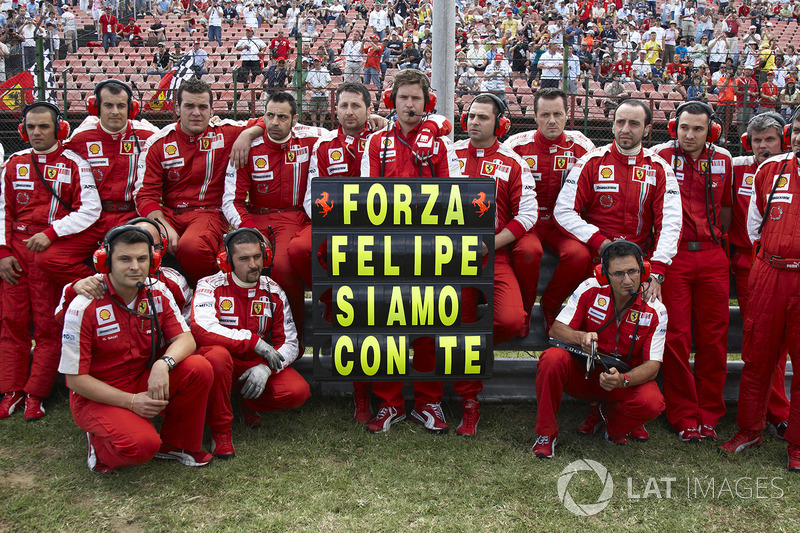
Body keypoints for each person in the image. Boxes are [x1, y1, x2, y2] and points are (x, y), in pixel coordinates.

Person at [58, 226, 213, 474]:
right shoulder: (83, 305)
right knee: (142, 446)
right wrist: (131, 402)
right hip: (96, 395)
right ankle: (99, 447)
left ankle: (177, 444)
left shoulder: (157, 290)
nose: (135, 266)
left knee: (199, 367)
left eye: (142, 259)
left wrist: (164, 364)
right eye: (124, 259)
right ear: (105, 261)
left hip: (139, 379)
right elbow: (75, 380)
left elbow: (186, 339)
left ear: (153, 261)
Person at [360, 69, 461, 434]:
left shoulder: (441, 143)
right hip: (387, 245)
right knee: (387, 325)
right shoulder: (376, 143)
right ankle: (388, 404)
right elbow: (366, 198)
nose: (409, 104)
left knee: (429, 323)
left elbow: (454, 196)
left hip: (431, 246)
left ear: (427, 103)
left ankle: (428, 401)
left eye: (416, 98)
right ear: (392, 101)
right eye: (403, 97)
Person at [288, 82, 390, 424]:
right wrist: (336, 223)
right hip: (336, 226)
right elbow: (311, 196)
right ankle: (330, 300)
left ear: (368, 109)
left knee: (368, 306)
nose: (349, 112)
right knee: (300, 247)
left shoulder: (385, 138)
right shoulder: (323, 144)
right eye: (343, 105)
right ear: (336, 110)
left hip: (379, 230)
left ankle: (368, 393)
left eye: (356, 106)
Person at [0, 103, 100, 421]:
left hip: (47, 253)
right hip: (15, 254)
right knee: (12, 323)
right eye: (31, 127)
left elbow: (90, 209)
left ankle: (35, 393)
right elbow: (2, 210)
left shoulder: (75, 163)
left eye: (43, 126)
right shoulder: (13, 163)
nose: (37, 133)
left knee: (47, 326)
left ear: (59, 128)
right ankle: (11, 389)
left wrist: (53, 232)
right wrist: (2, 253)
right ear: (22, 130)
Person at [451, 93, 538, 436]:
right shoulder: (449, 154)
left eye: (483, 117)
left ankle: (472, 353)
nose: (474, 122)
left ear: (500, 124)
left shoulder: (514, 162)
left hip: (494, 254)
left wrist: (490, 245)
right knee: (454, 324)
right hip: (451, 258)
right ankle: (469, 403)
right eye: (471, 116)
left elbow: (527, 215)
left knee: (510, 319)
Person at [531, 241, 667, 458]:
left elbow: (652, 366)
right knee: (551, 358)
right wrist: (581, 337)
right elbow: (556, 330)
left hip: (622, 380)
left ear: (644, 270)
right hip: (585, 375)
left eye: (633, 271)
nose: (627, 280)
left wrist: (623, 379)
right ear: (604, 274)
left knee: (652, 402)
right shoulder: (590, 288)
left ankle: (613, 423)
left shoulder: (656, 309)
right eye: (618, 273)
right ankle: (546, 434)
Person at [720, 110, 800, 473]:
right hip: (769, 273)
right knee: (757, 356)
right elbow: (755, 226)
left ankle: (796, 443)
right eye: (797, 131)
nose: (799, 138)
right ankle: (749, 429)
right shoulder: (770, 170)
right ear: (790, 132)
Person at [652, 102, 733, 443]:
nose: (690, 134)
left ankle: (710, 414)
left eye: (698, 129)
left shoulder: (724, 160)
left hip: (713, 256)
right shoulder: (658, 156)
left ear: (710, 131)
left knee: (714, 340)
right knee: (677, 338)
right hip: (675, 256)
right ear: (674, 127)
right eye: (684, 127)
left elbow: (726, 210)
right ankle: (684, 415)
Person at [134, 78, 265, 284]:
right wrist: (163, 226)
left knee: (192, 247)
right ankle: (154, 300)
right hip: (169, 213)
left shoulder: (225, 132)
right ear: (177, 108)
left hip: (208, 212)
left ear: (212, 110)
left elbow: (267, 121)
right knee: (140, 235)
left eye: (203, 106)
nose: (196, 112)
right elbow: (144, 194)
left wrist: (247, 134)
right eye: (189, 106)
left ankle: (206, 296)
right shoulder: (158, 142)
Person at [192, 228, 309, 456]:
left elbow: (290, 343)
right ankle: (221, 431)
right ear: (228, 261)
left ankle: (247, 401)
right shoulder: (209, 285)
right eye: (244, 259)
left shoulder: (273, 290)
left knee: (297, 392)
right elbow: (202, 329)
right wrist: (254, 342)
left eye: (257, 257)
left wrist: (265, 369)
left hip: (254, 366)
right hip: (222, 364)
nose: (253, 265)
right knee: (216, 356)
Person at [554, 99, 682, 306]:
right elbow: (564, 211)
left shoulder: (660, 168)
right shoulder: (591, 162)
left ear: (647, 129)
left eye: (634, 123)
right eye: (620, 122)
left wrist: (657, 270)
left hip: (639, 260)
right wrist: (601, 242)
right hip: (598, 255)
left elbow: (670, 223)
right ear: (612, 125)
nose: (625, 129)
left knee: (640, 324)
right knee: (594, 318)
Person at [34, 80, 160, 288]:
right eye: (108, 105)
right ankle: (100, 285)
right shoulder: (81, 137)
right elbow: (55, 159)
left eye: (121, 106)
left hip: (133, 215)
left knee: (149, 252)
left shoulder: (147, 134)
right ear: (96, 108)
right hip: (94, 217)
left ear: (131, 108)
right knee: (47, 258)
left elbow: (174, 136)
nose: (115, 112)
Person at [222, 91, 323, 346]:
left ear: (294, 119)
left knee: (282, 267)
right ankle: (237, 337)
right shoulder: (246, 146)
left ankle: (293, 339)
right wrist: (248, 230)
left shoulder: (312, 138)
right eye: (269, 115)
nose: (275, 122)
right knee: (228, 261)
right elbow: (231, 200)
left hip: (293, 217)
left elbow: (347, 127)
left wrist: (374, 118)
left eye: (282, 117)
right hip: (254, 218)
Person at [505, 88, 596, 333]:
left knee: (579, 256)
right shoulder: (515, 145)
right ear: (535, 117)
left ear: (567, 115)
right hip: (529, 223)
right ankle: (524, 309)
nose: (552, 120)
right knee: (527, 251)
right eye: (545, 115)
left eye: (557, 114)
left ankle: (551, 305)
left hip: (563, 224)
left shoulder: (583, 147)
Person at [305, 57, 331, 128]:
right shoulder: (311, 72)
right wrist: (312, 89)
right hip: (314, 94)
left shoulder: (325, 71)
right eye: (315, 62)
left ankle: (321, 125)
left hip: (323, 93)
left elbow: (329, 82)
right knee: (312, 110)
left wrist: (325, 89)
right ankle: (314, 125)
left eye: (318, 62)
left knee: (323, 111)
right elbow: (308, 82)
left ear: (320, 62)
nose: (316, 63)